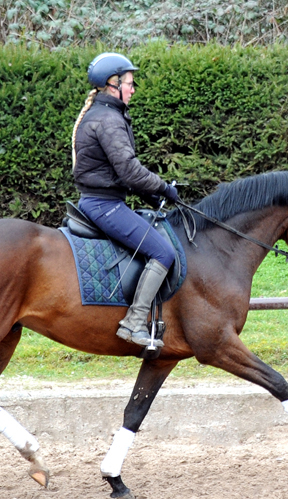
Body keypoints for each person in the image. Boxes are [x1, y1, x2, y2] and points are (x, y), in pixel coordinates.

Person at [71, 52, 179, 348]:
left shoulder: (104, 114)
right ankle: (133, 323)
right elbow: (129, 170)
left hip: (104, 200)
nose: (133, 89)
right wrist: (164, 188)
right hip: (104, 206)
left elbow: (118, 172)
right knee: (163, 253)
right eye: (130, 83)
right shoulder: (108, 119)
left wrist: (149, 191)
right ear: (112, 84)